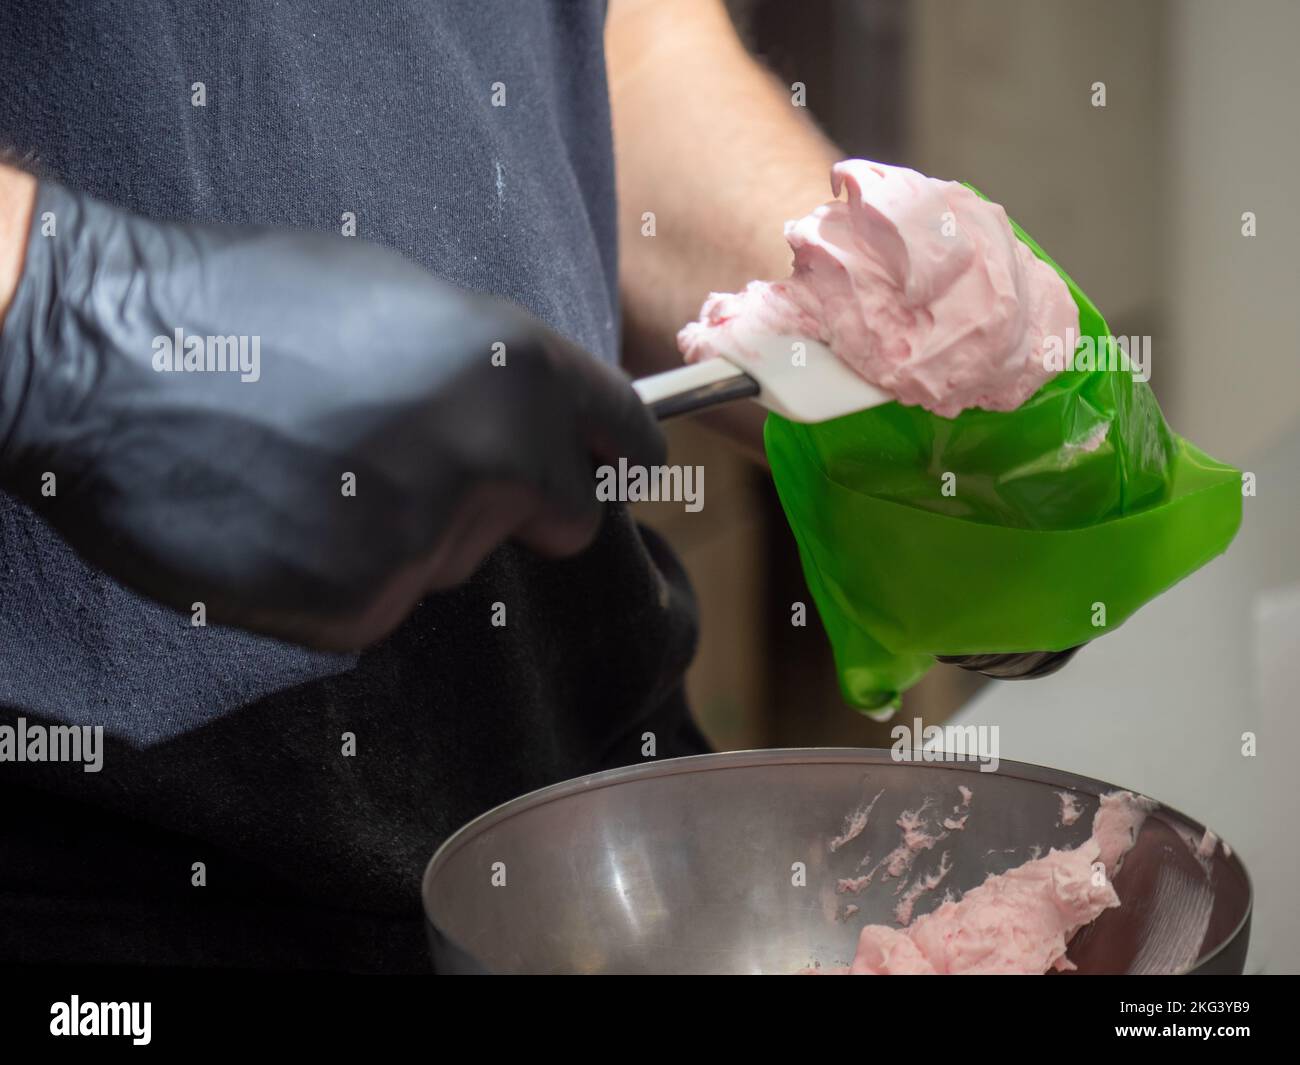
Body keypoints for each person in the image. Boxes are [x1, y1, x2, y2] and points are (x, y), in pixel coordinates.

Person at [0, 0, 843, 971]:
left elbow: (620, 49)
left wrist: (853, 298)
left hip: (587, 788)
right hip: (86, 850)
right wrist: (67, 316)